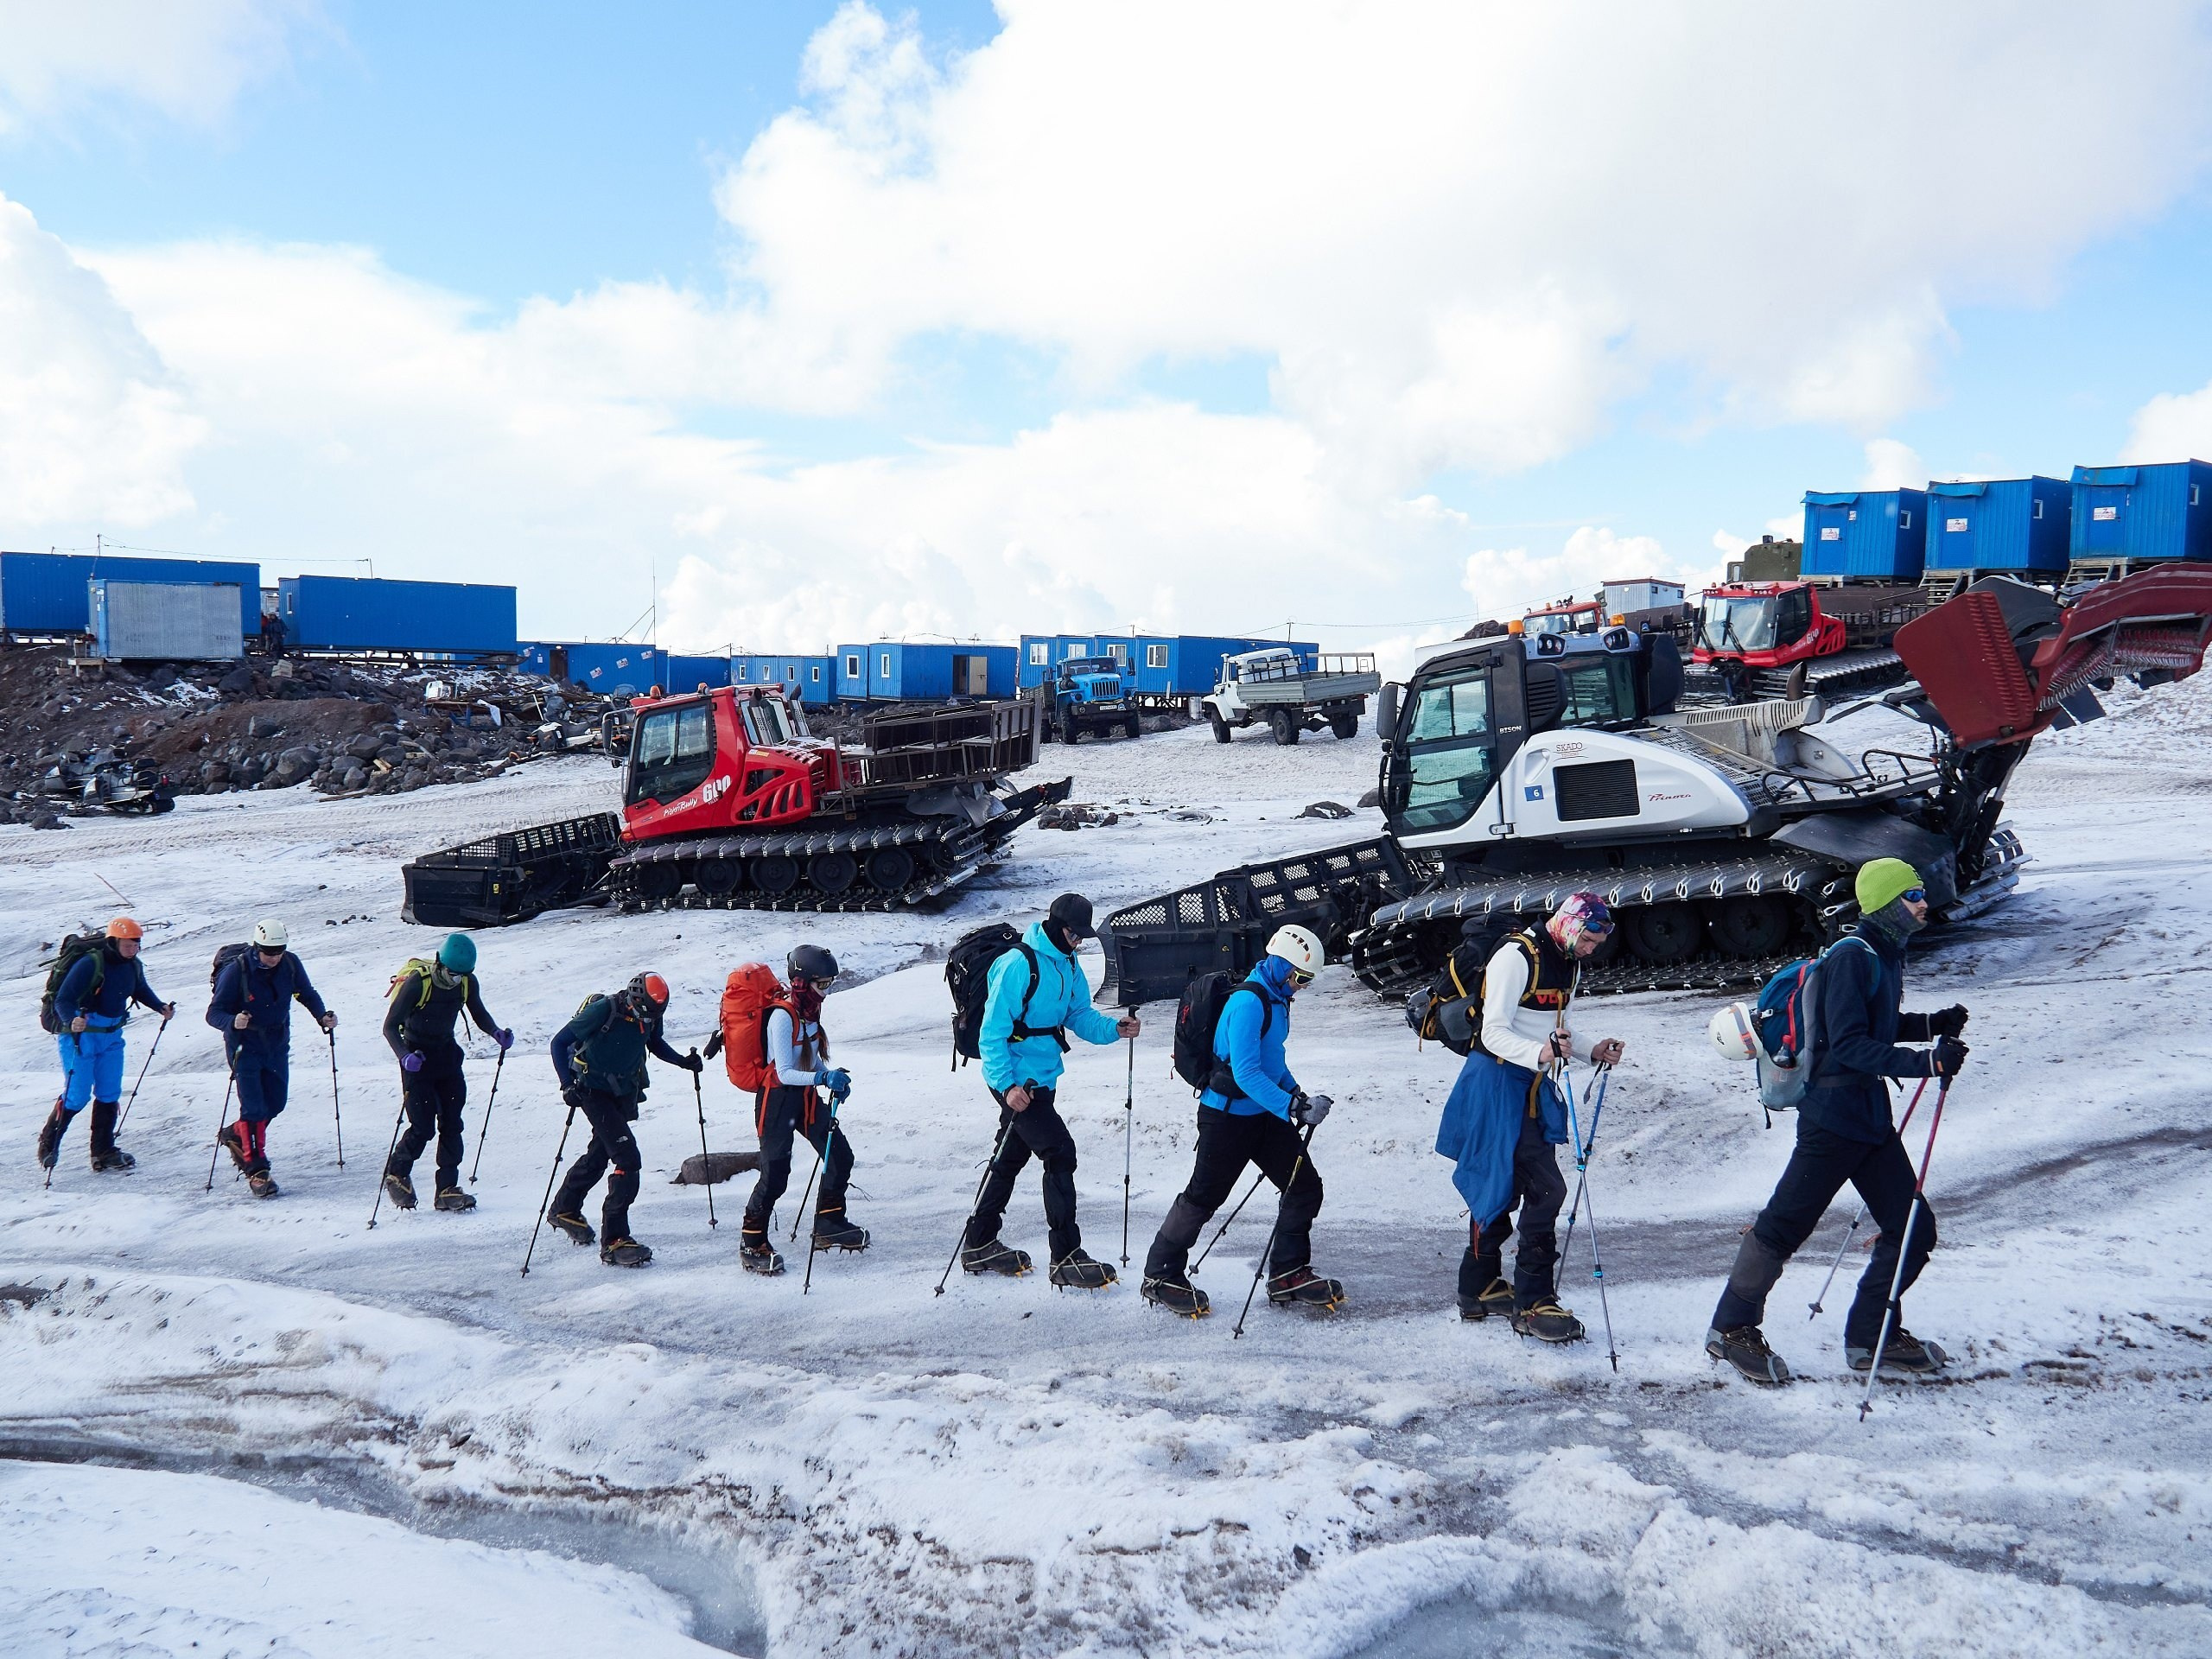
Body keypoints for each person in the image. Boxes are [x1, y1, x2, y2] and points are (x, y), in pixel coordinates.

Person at [1706, 858, 1968, 1384]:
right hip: (1831, 1120)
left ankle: (1873, 1336)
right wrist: (1925, 1064)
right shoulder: (1854, 957)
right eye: (1914, 893)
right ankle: (1730, 1329)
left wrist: (1930, 1025)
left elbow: (1873, 1023)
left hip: (1867, 1119)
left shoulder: (1883, 953)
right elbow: (1848, 1046)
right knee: (1784, 1226)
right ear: (1889, 903)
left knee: (1913, 1229)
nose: (1923, 902)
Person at [1434, 893, 1626, 1344]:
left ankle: (1478, 1288)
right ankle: (1533, 1300)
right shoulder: (1516, 956)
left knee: (1506, 1184)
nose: (1591, 949)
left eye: (1597, 943)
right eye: (1588, 939)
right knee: (1545, 1188)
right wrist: (1538, 1053)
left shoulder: (1567, 960)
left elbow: (1552, 1025)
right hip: (1495, 1082)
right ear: (1569, 925)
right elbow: (1493, 1030)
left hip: (1531, 1084)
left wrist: (1588, 1048)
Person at [1140, 925, 1341, 1318]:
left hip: (1265, 1116)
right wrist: (1293, 1108)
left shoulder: (1277, 1000)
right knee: (1203, 1197)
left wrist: (1295, 1093)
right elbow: (1246, 1073)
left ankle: (1288, 1274)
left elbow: (1273, 1059)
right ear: (1282, 965)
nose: (1301, 986)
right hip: (1226, 1120)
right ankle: (1161, 1273)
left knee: (1304, 1188)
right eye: (1299, 977)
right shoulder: (1249, 1003)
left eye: (1308, 981)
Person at [962, 893, 1141, 1288]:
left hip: (1043, 1077)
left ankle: (978, 1243)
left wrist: (1114, 1029)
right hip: (1014, 1078)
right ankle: (1065, 1255)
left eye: (1081, 938)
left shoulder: (1069, 963)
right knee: (1060, 1152)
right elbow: (990, 1035)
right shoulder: (1017, 964)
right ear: (1059, 927)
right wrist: (1006, 1086)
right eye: (1074, 935)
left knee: (1009, 1157)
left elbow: (1078, 1015)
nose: (1078, 942)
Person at [706, 944, 861, 1276]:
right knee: (775, 1174)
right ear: (803, 982)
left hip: (803, 1098)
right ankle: (752, 1241)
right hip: (776, 1101)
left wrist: (832, 1078)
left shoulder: (810, 1012)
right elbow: (783, 1071)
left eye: (830, 984)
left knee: (840, 1156)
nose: (827, 991)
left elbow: (810, 1054)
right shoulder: (782, 1015)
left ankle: (829, 1222)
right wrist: (822, 1076)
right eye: (823, 984)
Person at [547, 972, 703, 1268]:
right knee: (627, 1159)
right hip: (592, 1091)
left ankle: (565, 1207)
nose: (647, 1018)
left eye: (655, 1014)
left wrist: (684, 1062)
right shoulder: (605, 1009)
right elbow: (559, 1042)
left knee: (601, 1152)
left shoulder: (651, 1012)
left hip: (624, 1091)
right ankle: (615, 1241)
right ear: (633, 997)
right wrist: (567, 1085)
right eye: (644, 1012)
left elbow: (655, 1043)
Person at [381, 932, 510, 1214]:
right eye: (452, 973)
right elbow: (390, 1027)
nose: (456, 979)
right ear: (440, 963)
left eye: (462, 974)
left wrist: (496, 1032)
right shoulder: (418, 984)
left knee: (452, 1124)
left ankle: (447, 1189)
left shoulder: (466, 982)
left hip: (447, 1058)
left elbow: (478, 1013)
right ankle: (397, 1173)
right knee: (423, 1126)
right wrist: (404, 1057)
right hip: (418, 1059)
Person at [207, 918, 336, 1198]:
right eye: (269, 951)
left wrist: (321, 1015)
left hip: (276, 1044)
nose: (274, 957)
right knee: (253, 1109)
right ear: (257, 947)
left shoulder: (290, 964)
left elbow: (306, 992)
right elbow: (214, 1013)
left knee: (275, 1103)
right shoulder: (237, 971)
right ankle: (257, 1171)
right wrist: (232, 1021)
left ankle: (235, 1134)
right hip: (245, 1047)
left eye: (279, 951)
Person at [38, 917, 175, 1173]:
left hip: (112, 1036)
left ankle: (103, 1150)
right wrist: (71, 1020)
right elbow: (64, 1000)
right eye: (128, 944)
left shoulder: (133, 965)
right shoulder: (90, 963)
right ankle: (49, 1142)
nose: (133, 948)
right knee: (77, 1095)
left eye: (136, 944)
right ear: (114, 942)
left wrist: (160, 1007)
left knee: (109, 1093)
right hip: (81, 1036)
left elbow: (141, 989)